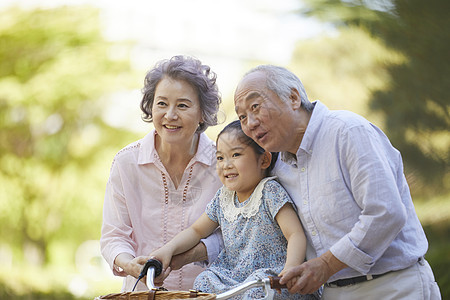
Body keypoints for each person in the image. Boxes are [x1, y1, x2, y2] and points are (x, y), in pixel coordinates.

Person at [172, 64, 441, 299]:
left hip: (392, 288)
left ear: (293, 97)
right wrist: (178, 258)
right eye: (242, 116)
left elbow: (386, 213)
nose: (250, 123)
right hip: (331, 293)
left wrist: (325, 265)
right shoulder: (275, 165)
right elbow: (247, 229)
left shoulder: (348, 132)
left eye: (255, 107)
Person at [149, 120, 320, 299]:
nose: (226, 164)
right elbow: (196, 230)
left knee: (257, 289)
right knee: (204, 280)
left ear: (264, 160)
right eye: (220, 158)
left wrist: (290, 269)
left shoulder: (269, 191)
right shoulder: (223, 197)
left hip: (271, 278)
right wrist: (168, 250)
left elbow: (295, 234)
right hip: (235, 277)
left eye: (236, 154)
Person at [100, 55, 223, 292]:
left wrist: (185, 256)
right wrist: (130, 264)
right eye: (162, 103)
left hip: (209, 295)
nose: (170, 115)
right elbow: (113, 237)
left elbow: (236, 236)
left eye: (183, 105)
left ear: (202, 114)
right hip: (143, 294)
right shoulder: (127, 162)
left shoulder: (225, 164)